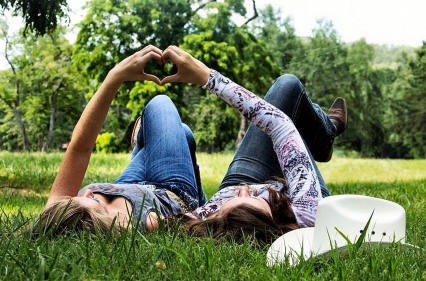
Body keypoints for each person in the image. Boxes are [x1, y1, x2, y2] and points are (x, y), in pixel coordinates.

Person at [158, 46, 347, 245]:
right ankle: (326, 133)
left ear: (216, 218)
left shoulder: (207, 219)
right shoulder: (305, 215)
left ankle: (321, 128)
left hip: (248, 174)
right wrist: (208, 77)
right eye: (254, 198)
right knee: (288, 85)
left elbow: (153, 221)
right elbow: (279, 125)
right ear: (275, 220)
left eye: (231, 201)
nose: (244, 189)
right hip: (295, 188)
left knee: (290, 98)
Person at [30, 45, 205, 236]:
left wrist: (114, 77)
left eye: (75, 199)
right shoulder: (141, 224)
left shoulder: (61, 215)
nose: (86, 193)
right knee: (161, 105)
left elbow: (79, 148)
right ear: (107, 223)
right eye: (96, 203)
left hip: (128, 183)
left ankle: (151, 136)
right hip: (169, 190)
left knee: (179, 133)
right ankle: (148, 136)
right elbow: (193, 224)